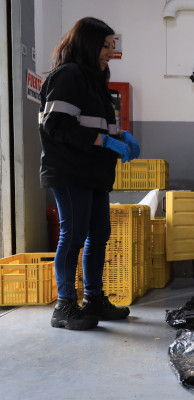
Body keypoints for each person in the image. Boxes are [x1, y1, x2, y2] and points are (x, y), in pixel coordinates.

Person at [39, 17, 141, 330]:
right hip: (69, 172)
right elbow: (56, 124)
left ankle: (94, 300)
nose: (111, 52)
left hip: (95, 173)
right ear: (88, 43)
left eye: (113, 46)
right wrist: (105, 140)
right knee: (73, 236)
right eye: (106, 46)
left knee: (99, 235)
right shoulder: (68, 76)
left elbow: (100, 126)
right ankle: (65, 305)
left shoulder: (97, 85)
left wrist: (121, 137)